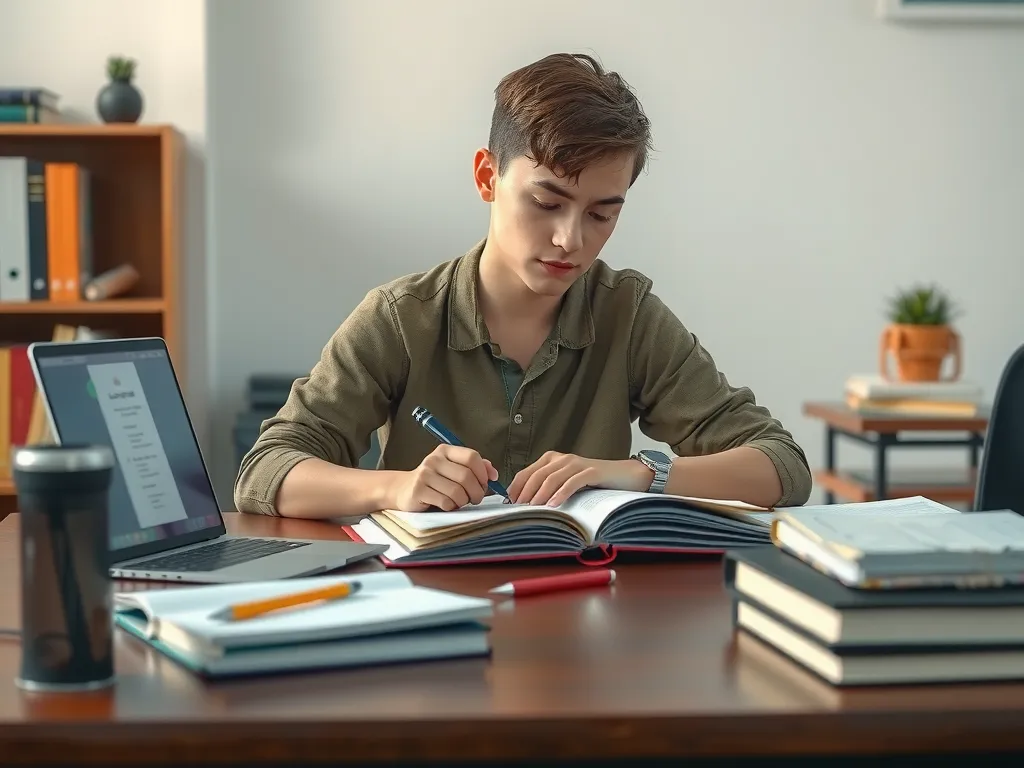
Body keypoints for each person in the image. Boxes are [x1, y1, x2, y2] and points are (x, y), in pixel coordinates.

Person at [234, 52, 812, 519]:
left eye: (601, 215)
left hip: (592, 614)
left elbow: (782, 466)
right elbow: (265, 471)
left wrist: (640, 473)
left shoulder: (627, 314)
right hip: (434, 613)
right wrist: (395, 488)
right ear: (487, 176)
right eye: (546, 202)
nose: (570, 240)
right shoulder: (400, 317)